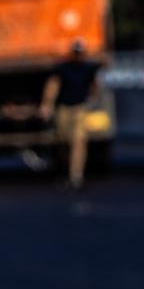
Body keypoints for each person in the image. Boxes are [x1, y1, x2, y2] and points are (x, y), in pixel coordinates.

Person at [40, 39, 101, 190]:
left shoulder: (88, 69)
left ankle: (76, 176)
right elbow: (53, 85)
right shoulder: (63, 68)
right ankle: (66, 170)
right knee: (64, 142)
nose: (79, 56)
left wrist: (94, 100)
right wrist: (47, 104)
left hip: (79, 109)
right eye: (76, 53)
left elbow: (95, 85)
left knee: (79, 141)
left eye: (81, 53)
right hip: (64, 109)